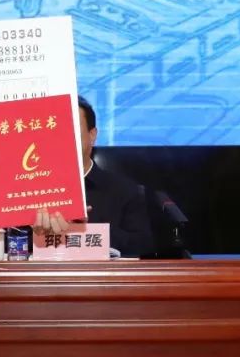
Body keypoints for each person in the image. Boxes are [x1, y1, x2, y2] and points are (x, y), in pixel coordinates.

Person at [33, 96, 154, 257]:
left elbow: (143, 247)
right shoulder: (30, 191)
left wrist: (86, 229)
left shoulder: (125, 191)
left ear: (92, 135)